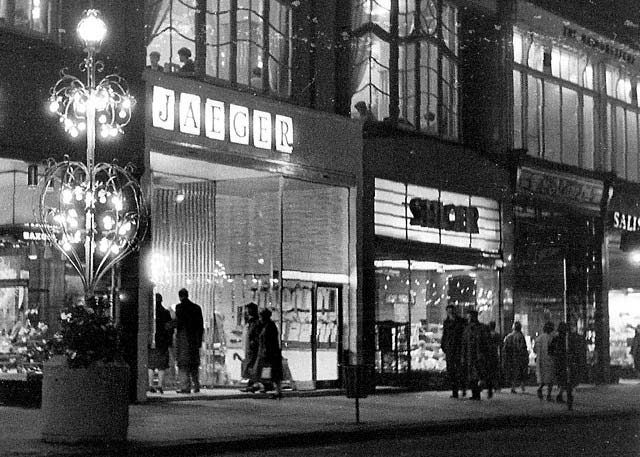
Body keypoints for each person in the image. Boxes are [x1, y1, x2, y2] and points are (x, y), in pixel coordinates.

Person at [549, 321, 586, 409]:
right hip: (565, 362)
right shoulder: (568, 339)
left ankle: (564, 395)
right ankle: (566, 397)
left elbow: (550, 351)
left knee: (565, 380)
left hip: (561, 362)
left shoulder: (560, 339)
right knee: (567, 380)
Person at [174, 288, 204, 393]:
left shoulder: (179, 307)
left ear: (180, 296)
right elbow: (201, 326)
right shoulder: (197, 308)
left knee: (183, 364)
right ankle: (196, 385)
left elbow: (179, 322)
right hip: (194, 339)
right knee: (194, 363)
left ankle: (185, 387)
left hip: (183, 338)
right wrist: (199, 340)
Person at [254, 308, 283, 399]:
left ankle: (275, 390)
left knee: (273, 372)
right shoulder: (268, 326)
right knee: (271, 372)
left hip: (270, 353)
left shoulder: (269, 327)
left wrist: (266, 352)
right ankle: (272, 388)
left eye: (261, 316)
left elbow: (268, 341)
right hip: (270, 352)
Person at [148, 293, 173, 394]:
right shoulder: (165, 312)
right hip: (163, 342)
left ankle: (150, 385)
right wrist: (169, 341)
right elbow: (169, 328)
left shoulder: (150, 312)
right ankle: (160, 385)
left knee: (151, 365)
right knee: (162, 365)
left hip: (152, 341)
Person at [461, 310, 489, 400]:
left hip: (477, 354)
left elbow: (484, 342)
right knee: (473, 374)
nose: (468, 319)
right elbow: (464, 343)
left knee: (477, 374)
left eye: (469, 317)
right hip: (471, 354)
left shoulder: (479, 328)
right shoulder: (468, 329)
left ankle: (477, 392)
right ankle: (475, 393)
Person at [441, 304, 466, 398]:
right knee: (452, 371)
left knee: (459, 370)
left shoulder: (460, 321)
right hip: (450, 349)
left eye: (451, 311)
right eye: (448, 311)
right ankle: (455, 391)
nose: (450, 312)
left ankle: (462, 388)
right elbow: (445, 334)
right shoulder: (447, 322)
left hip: (458, 348)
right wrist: (444, 345)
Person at [239, 302, 262, 393]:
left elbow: (255, 336)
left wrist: (253, 344)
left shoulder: (255, 322)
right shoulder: (251, 322)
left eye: (248, 310)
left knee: (252, 365)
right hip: (250, 348)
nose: (247, 312)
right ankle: (252, 383)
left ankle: (254, 384)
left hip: (253, 348)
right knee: (250, 366)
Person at [503, 321, 529, 394]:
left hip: (511, 357)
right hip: (520, 357)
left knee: (513, 372)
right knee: (521, 371)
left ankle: (513, 387)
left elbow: (505, 348)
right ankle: (522, 385)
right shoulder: (521, 336)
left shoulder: (508, 336)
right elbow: (523, 347)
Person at [534, 321, 555, 401]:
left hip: (540, 360)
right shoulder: (551, 338)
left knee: (542, 377)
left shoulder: (538, 338)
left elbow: (535, 350)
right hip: (549, 360)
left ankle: (540, 389)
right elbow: (552, 350)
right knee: (550, 379)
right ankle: (548, 395)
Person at [484, 321, 502, 398]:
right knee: (495, 371)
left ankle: (489, 387)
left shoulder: (487, 335)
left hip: (488, 355)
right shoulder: (497, 335)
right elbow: (500, 344)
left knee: (488, 372)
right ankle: (496, 386)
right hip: (494, 354)